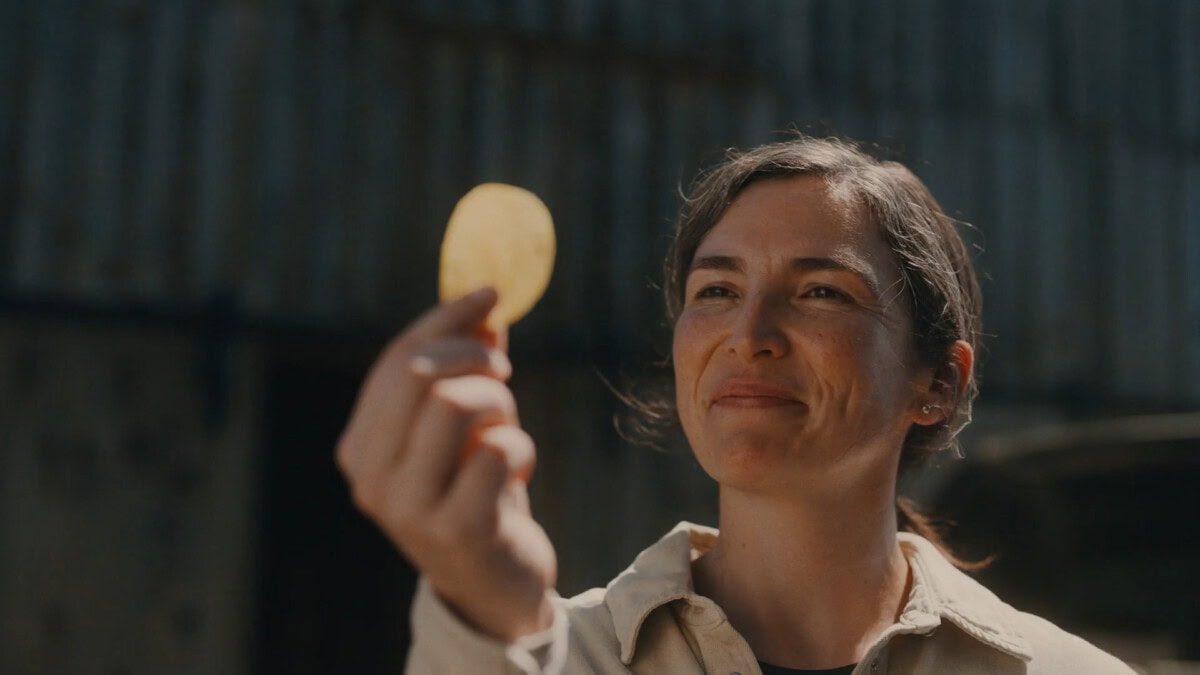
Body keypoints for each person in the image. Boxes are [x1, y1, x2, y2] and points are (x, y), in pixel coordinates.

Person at [336, 136, 1136, 674]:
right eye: (716, 290)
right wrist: (482, 606)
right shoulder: (545, 655)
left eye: (821, 291)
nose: (749, 336)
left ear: (940, 383)